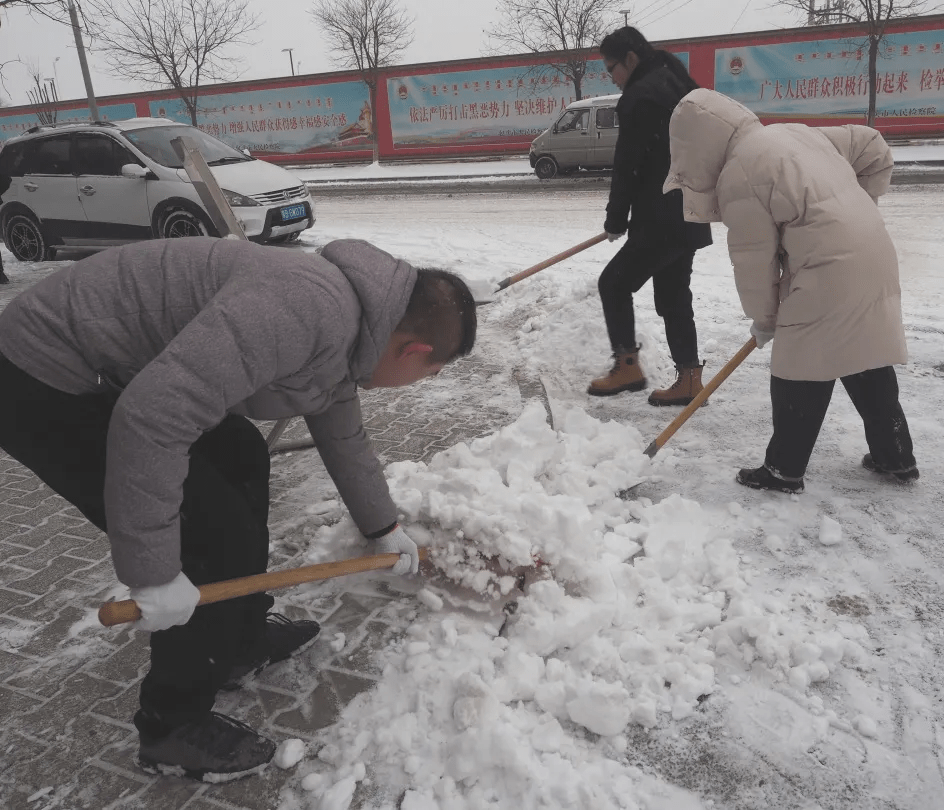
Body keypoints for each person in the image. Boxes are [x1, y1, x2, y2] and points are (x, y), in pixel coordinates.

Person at [0, 236, 477, 781]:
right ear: (413, 351)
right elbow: (153, 418)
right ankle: (171, 727)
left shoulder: (353, 325)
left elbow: (343, 433)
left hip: (116, 370)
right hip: (43, 374)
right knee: (208, 532)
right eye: (432, 373)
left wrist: (383, 527)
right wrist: (154, 574)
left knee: (241, 452)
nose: (423, 382)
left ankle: (234, 641)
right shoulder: (303, 309)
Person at [663, 88, 918, 493]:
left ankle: (783, 470)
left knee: (798, 369)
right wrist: (857, 210)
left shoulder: (738, 172)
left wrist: (765, 319)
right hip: (875, 254)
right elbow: (873, 145)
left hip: (827, 272)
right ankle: (896, 456)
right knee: (865, 357)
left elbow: (754, 261)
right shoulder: (797, 133)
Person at [587, 26, 713, 406]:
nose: (612, 78)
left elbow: (629, 165)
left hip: (660, 218)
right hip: (689, 210)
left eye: (612, 69)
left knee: (613, 283)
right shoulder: (675, 78)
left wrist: (615, 219)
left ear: (630, 59)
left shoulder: (639, 97)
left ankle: (627, 367)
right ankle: (690, 379)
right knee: (674, 295)